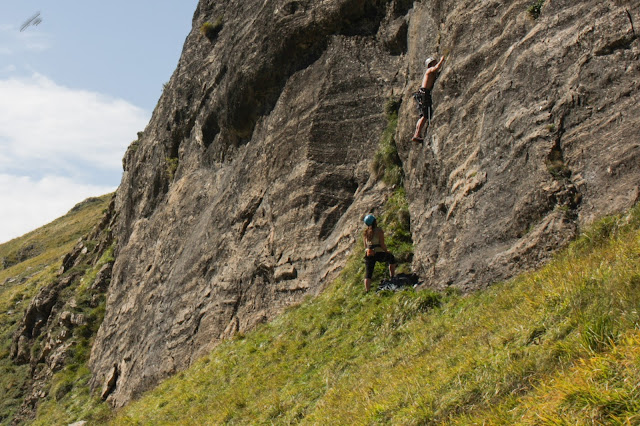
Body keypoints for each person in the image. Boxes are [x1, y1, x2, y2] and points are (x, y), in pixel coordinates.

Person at [412, 55, 445, 143]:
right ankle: (417, 134)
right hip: (424, 94)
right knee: (425, 115)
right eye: (434, 61)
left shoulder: (429, 72)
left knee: (423, 115)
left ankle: (417, 134)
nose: (436, 62)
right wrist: (442, 60)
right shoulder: (429, 70)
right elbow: (436, 68)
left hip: (422, 93)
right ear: (431, 64)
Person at [362, 214, 397, 292]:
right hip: (378, 253)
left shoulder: (365, 232)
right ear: (375, 221)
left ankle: (367, 291)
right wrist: (386, 251)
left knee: (368, 273)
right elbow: (382, 244)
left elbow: (365, 245)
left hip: (369, 254)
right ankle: (392, 276)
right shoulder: (379, 231)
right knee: (391, 258)